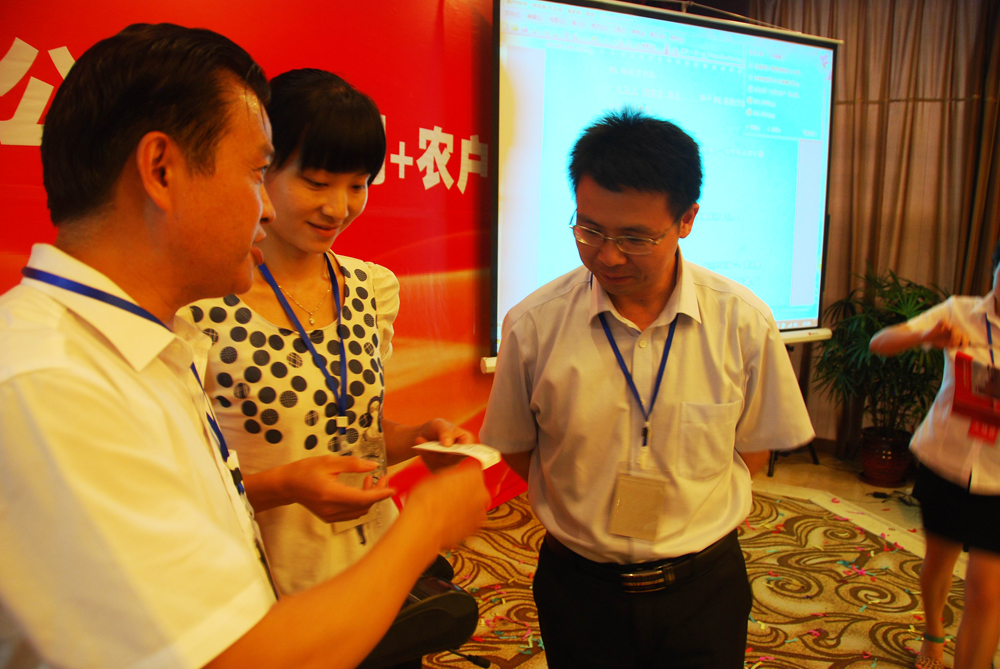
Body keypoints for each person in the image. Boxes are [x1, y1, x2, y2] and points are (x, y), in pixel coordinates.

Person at [0, 23, 488, 669]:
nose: (268, 209)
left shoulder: (146, 346)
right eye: (260, 172)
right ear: (161, 170)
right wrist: (427, 523)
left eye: (357, 184)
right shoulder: (50, 385)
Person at [480, 108, 815, 668]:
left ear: (687, 219)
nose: (607, 255)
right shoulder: (533, 325)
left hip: (703, 588)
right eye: (590, 230)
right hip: (579, 588)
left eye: (635, 237)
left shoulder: (742, 322)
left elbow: (753, 448)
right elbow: (518, 448)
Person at [182, 68, 473, 597]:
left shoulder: (370, 288)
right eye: (316, 183)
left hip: (374, 567)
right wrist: (285, 486)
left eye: (357, 185)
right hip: (265, 584)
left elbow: (355, 429)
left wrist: (418, 438)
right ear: (261, 169)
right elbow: (181, 491)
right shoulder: (201, 307)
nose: (338, 208)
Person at [870, 242, 1000, 669]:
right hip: (947, 460)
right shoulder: (960, 311)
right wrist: (927, 335)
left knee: (987, 591)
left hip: (998, 479)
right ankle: (933, 632)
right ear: (994, 270)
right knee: (938, 564)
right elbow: (880, 342)